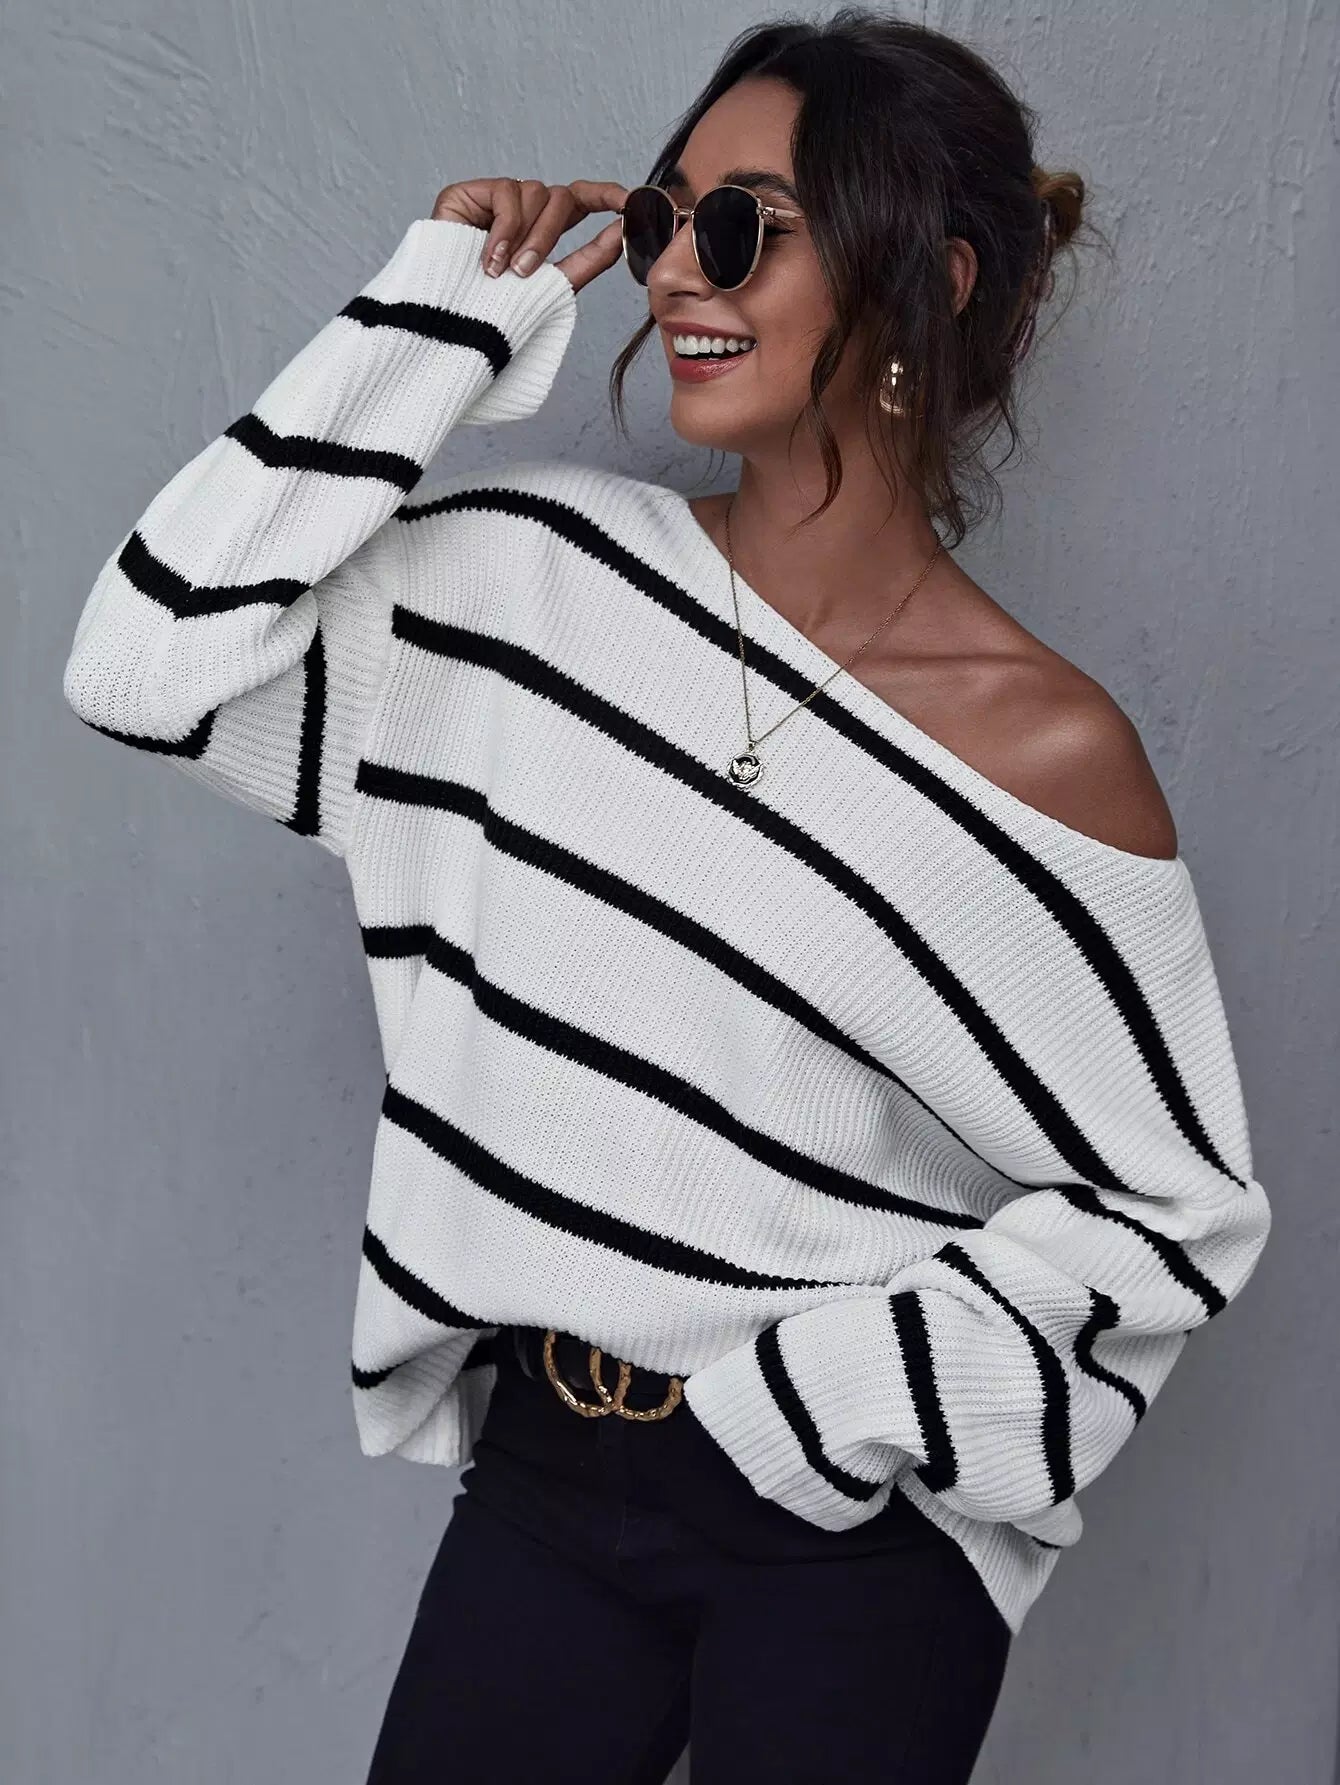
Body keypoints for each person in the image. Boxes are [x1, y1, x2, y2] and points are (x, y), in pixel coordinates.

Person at [61, 10, 1271, 1782]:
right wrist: (433, 316)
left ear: (921, 285)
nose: (677, 273)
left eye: (741, 226)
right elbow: (143, 665)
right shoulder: (521, 588)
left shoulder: (1045, 752)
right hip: (547, 1473)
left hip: (850, 1539)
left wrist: (823, 1408)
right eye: (660, 217)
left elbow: (1173, 1216)